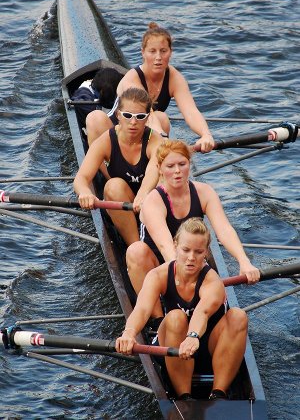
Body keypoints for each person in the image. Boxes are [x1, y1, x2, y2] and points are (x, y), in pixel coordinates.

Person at [116, 217, 248, 400]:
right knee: (176, 317)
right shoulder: (158, 275)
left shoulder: (212, 281)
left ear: (206, 253)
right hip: (172, 347)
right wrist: (129, 333)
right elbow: (142, 309)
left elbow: (203, 311)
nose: (191, 258)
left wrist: (192, 336)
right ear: (175, 245)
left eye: (198, 252)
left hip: (206, 346)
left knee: (238, 316)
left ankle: (218, 393)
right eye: (186, 250)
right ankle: (184, 397)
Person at [126, 139, 260, 318]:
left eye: (182, 164)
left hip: (190, 256)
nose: (177, 171)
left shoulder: (204, 192)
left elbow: (224, 230)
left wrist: (243, 261)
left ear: (190, 164)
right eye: (170, 166)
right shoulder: (153, 201)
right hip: (159, 261)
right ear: (159, 168)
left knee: (201, 251)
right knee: (135, 251)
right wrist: (186, 280)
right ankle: (157, 320)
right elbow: (166, 246)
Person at [86, 22, 214, 152]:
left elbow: (191, 111)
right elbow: (148, 115)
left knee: (162, 118)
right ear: (143, 53)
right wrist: (164, 139)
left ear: (170, 52)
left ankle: (157, 164)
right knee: (95, 118)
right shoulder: (133, 78)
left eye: (163, 51)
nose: (158, 57)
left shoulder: (175, 78)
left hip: (141, 134)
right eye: (152, 51)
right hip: (115, 131)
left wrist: (206, 135)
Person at [73, 87, 163, 246]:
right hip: (121, 199)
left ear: (147, 118)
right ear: (118, 115)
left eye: (140, 116)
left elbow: (153, 170)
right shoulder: (107, 140)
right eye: (128, 115)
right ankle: (136, 247)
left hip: (150, 199)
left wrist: (143, 194)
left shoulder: (155, 140)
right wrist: (85, 193)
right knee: (113, 186)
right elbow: (81, 178)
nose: (133, 122)